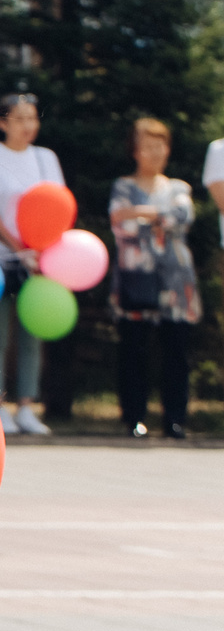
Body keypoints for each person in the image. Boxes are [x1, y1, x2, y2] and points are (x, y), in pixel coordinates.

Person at [0, 93, 62, 435]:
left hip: (41, 258)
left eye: (33, 118)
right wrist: (16, 247)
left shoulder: (45, 158)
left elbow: (56, 204)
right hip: (2, 255)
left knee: (32, 333)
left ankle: (26, 406)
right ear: (3, 122)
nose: (29, 125)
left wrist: (39, 249)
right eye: (21, 118)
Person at [110, 117, 200, 440]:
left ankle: (175, 420)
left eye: (161, 144)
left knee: (176, 352)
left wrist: (141, 213)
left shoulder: (178, 187)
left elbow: (182, 216)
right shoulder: (123, 186)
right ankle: (134, 418)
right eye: (148, 145)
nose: (156, 151)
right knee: (134, 350)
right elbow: (121, 222)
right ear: (135, 150)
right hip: (136, 277)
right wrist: (154, 217)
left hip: (175, 281)